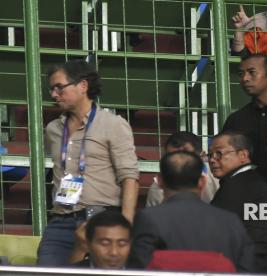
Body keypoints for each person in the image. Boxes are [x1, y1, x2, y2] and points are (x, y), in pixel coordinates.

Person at [37, 59, 139, 266]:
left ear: (83, 86)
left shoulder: (113, 124)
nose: (54, 94)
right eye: (52, 89)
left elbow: (129, 177)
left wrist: (125, 225)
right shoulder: (53, 129)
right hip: (61, 218)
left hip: (101, 219)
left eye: (59, 87)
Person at [128, 151, 255, 272]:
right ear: (202, 182)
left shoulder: (148, 219)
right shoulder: (230, 221)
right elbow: (246, 269)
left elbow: (139, 268)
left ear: (160, 181)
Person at [209, 131, 267, 273]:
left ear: (243, 156)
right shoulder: (251, 182)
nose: (212, 160)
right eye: (210, 155)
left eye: (219, 153)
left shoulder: (238, 186)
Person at [222, 54, 267, 185]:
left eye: (251, 72)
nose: (245, 79)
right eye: (241, 73)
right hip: (248, 195)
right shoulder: (236, 120)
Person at [145, 131, 219, 206]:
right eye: (171, 157)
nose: (179, 162)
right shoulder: (158, 188)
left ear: (202, 156)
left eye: (185, 156)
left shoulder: (218, 177)